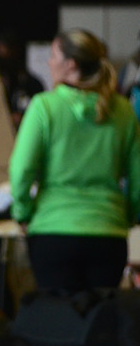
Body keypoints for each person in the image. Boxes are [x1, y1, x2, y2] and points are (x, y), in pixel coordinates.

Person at [9, 29, 140, 293]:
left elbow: (21, 169)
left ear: (71, 65)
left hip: (53, 234)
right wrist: (126, 216)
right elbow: (138, 177)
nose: (49, 62)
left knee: (60, 325)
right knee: (99, 326)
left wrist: (22, 213)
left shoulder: (44, 107)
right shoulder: (124, 110)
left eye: (53, 55)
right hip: (108, 234)